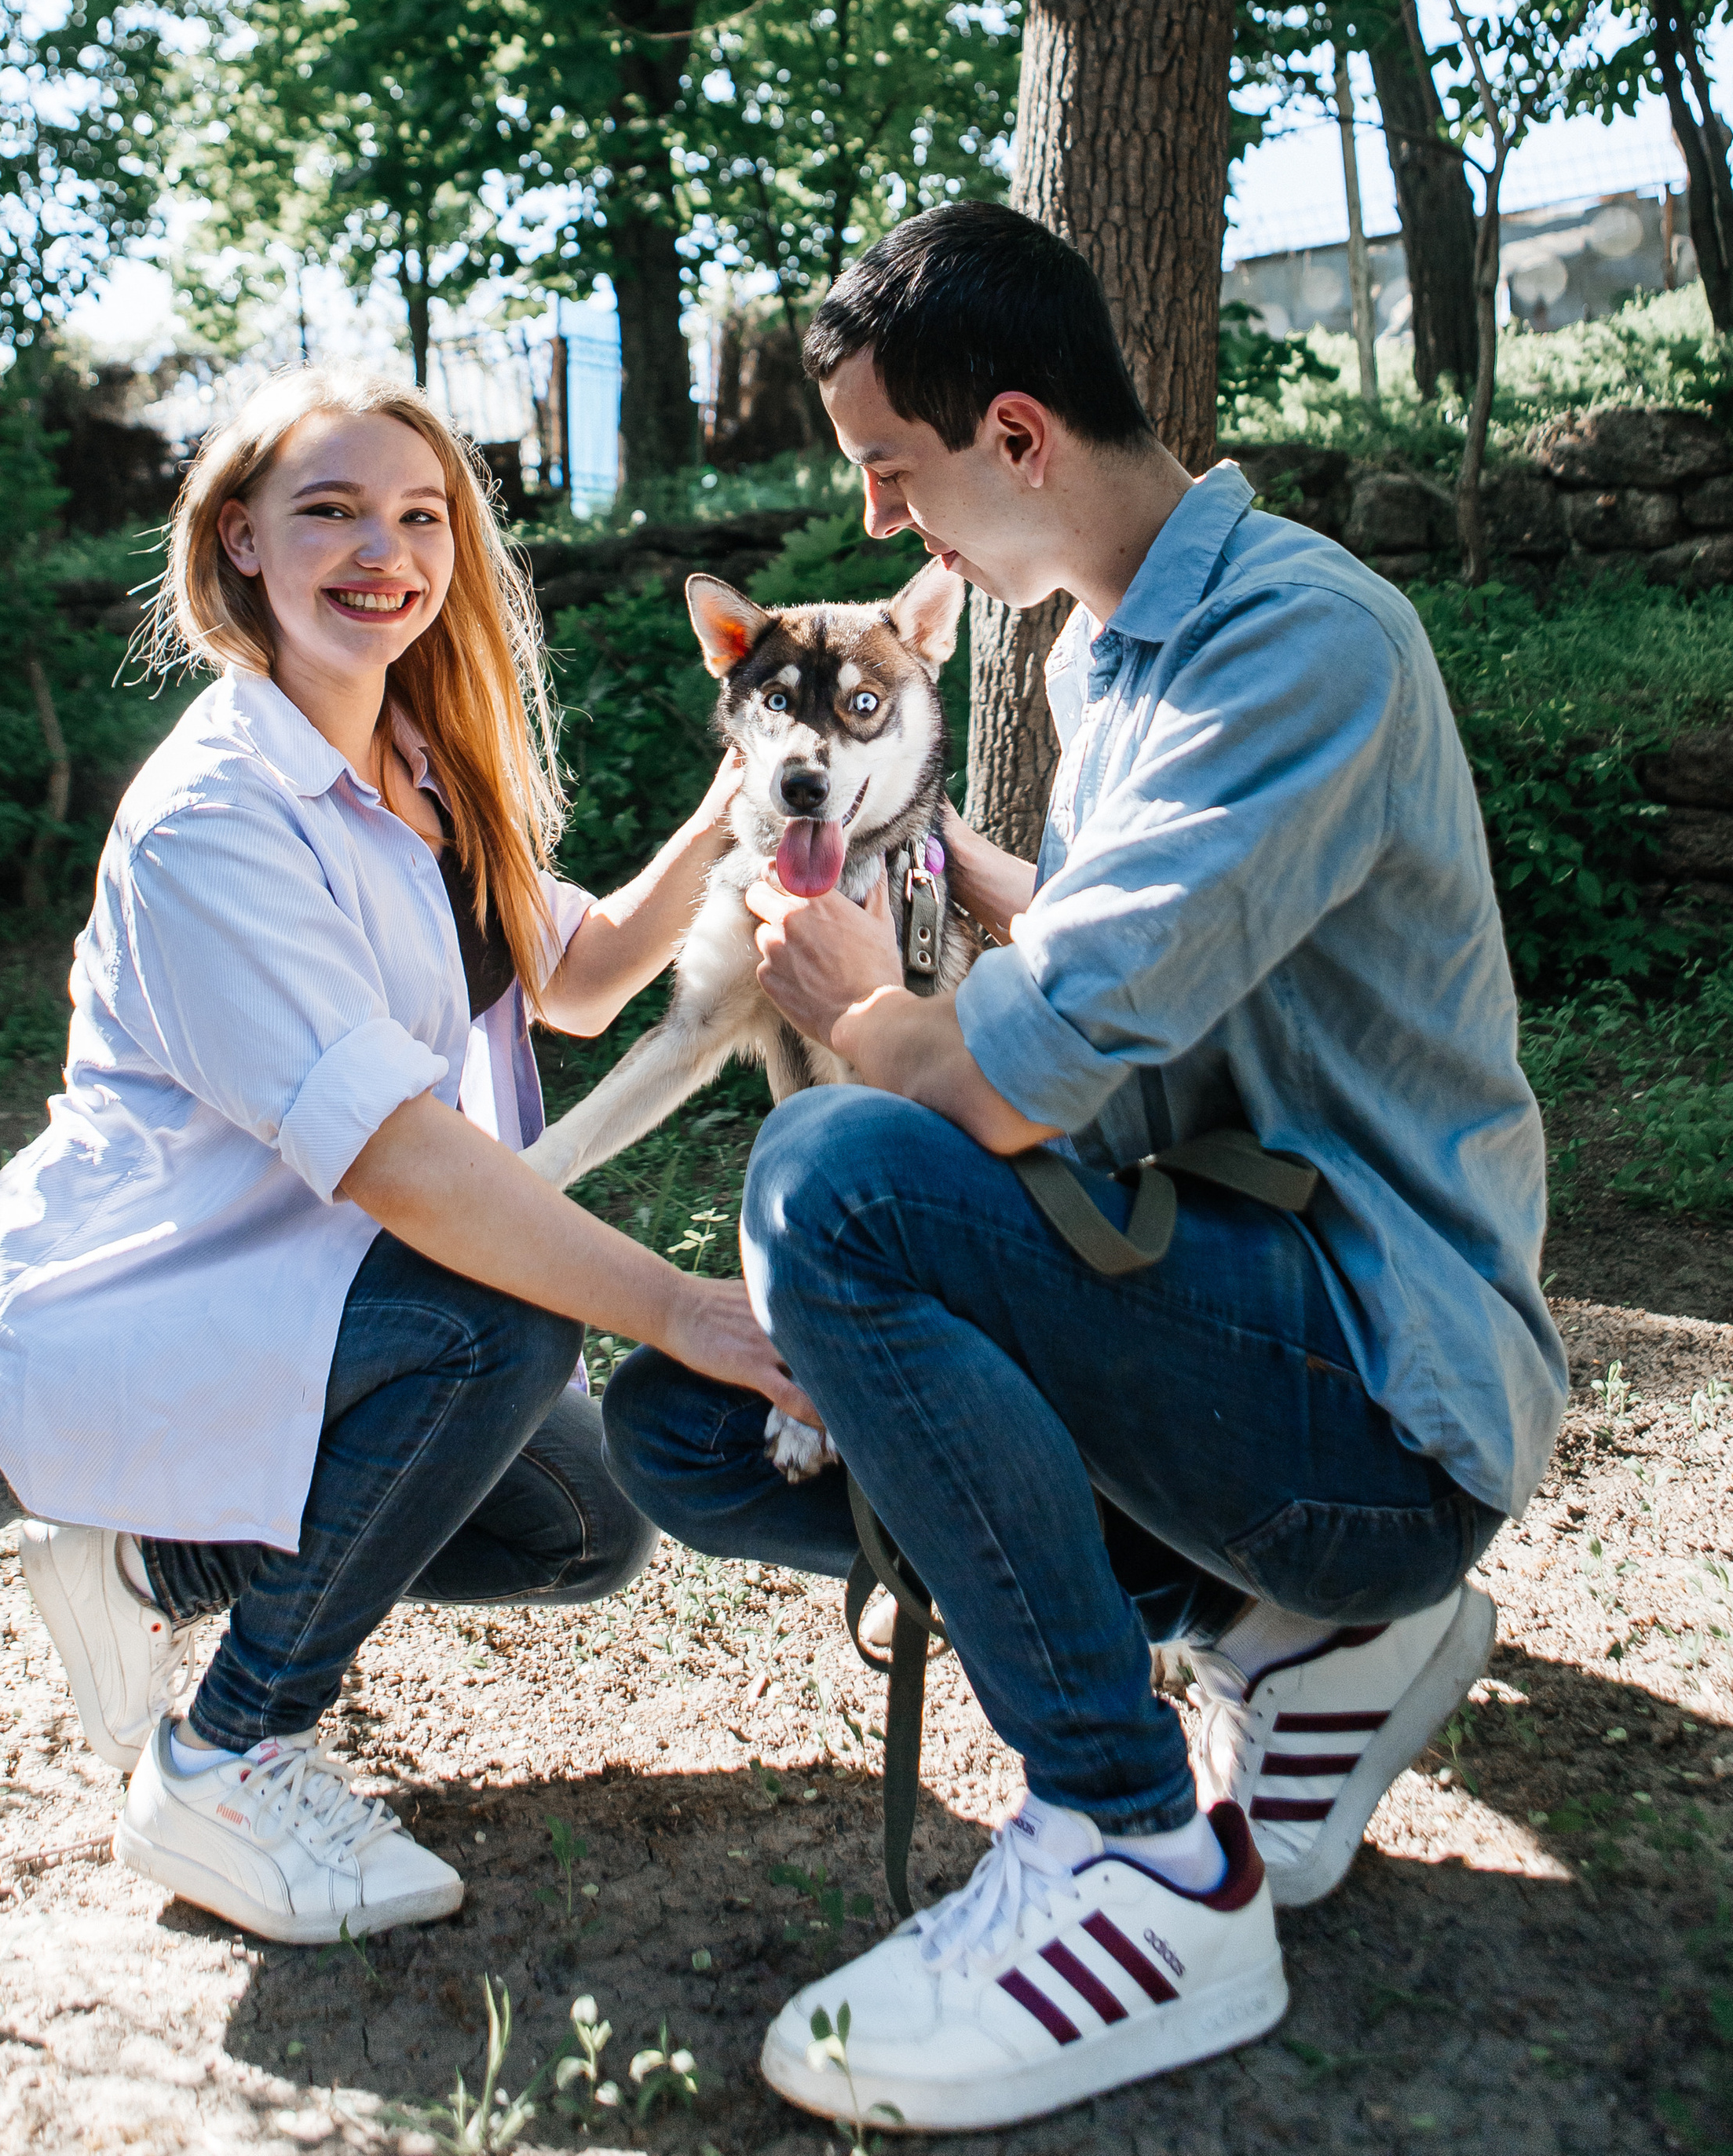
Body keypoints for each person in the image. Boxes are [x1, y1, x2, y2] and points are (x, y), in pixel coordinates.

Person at [601, 202, 1566, 2130]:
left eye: (891, 469)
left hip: (1372, 1393)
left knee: (830, 1178)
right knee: (685, 1428)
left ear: (1015, 438)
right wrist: (980, 885)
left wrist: (875, 1006)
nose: (880, 522)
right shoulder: (1097, 663)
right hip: (1209, 1309)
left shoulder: (1291, 641)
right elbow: (1165, 972)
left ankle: (1138, 1856)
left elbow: (1010, 1080)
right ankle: (1276, 1631)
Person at [0, 367, 810, 1947]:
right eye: (330, 511)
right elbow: (401, 1167)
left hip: (303, 1295)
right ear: (238, 540)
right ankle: (230, 1754)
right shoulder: (215, 818)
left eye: (418, 515)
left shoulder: (428, 769)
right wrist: (683, 1310)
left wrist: (734, 810)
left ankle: (151, 1559)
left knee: (581, 1526)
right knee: (493, 1317)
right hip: (137, 1309)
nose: (386, 549)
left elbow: (571, 981)